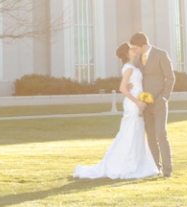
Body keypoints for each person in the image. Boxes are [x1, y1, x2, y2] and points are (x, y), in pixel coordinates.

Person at [73, 43, 159, 180]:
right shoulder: (129, 68)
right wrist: (137, 101)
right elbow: (122, 88)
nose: (134, 50)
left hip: (137, 100)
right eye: (131, 49)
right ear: (126, 53)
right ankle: (126, 165)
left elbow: (130, 85)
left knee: (135, 132)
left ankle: (137, 163)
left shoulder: (132, 67)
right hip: (133, 103)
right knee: (130, 132)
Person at [130, 31, 175, 178]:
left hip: (160, 103)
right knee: (150, 136)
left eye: (136, 48)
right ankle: (156, 168)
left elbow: (170, 77)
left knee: (161, 134)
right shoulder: (138, 59)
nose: (135, 50)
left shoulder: (161, 55)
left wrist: (164, 97)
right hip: (145, 105)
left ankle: (168, 170)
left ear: (144, 46)